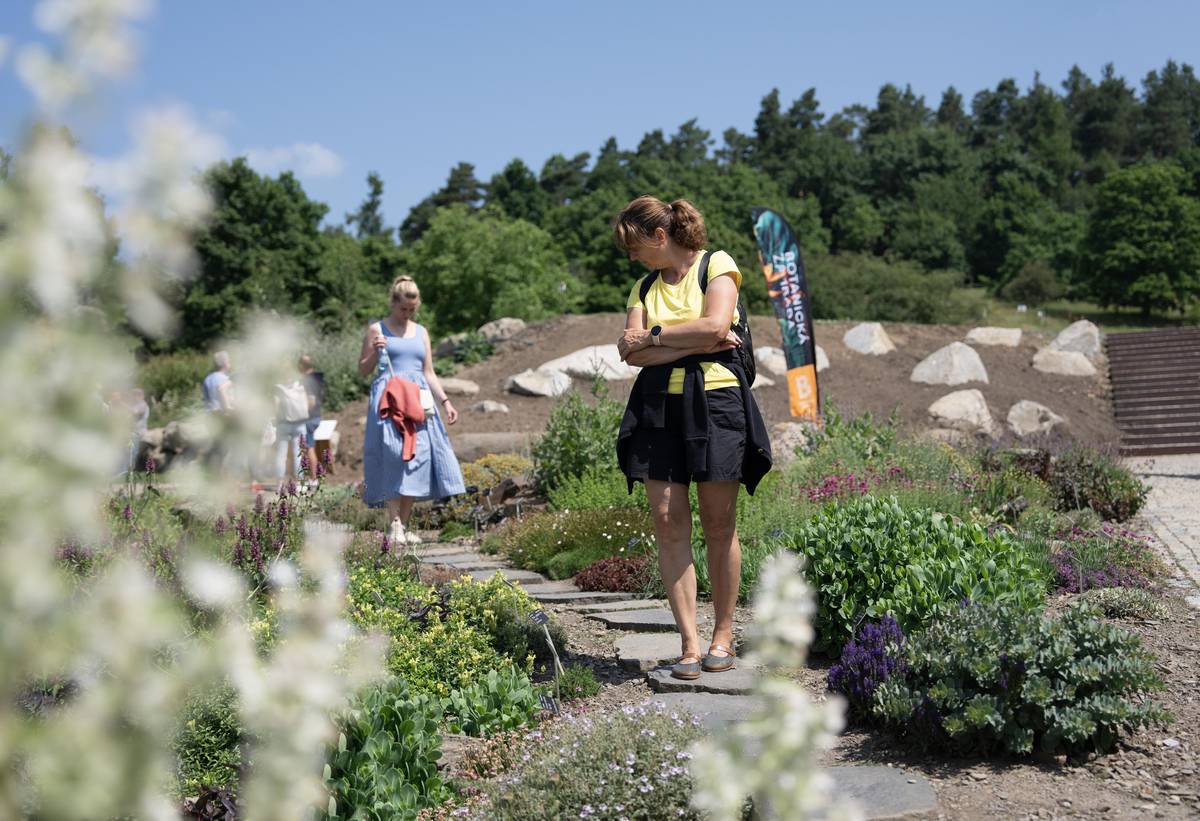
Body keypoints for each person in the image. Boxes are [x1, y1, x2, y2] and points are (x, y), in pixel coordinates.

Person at [613, 196, 772, 681]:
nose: (632, 257)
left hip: (718, 401)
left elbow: (718, 326)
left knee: (719, 523)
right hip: (657, 405)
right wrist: (691, 339)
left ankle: (723, 637)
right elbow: (630, 354)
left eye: (635, 246)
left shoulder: (716, 264)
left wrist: (656, 337)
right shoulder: (642, 287)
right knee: (666, 519)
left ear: (660, 236)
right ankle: (688, 643)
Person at [359, 275, 465, 545]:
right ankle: (394, 522)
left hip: (418, 400)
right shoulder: (377, 329)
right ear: (393, 303)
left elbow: (428, 372)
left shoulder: (421, 332)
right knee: (394, 455)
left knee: (418, 458)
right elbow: (362, 370)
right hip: (390, 399)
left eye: (411, 310)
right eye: (402, 309)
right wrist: (374, 352)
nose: (407, 314)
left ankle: (403, 526)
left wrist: (445, 401)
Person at [272, 366, 311, 481]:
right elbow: (306, 405)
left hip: (283, 424)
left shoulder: (278, 388)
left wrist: (276, 419)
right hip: (299, 423)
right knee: (298, 454)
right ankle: (299, 483)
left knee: (281, 455)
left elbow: (276, 406)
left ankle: (279, 484)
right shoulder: (300, 386)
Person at [298, 354, 325, 476]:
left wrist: (300, 413)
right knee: (308, 447)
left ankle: (313, 477)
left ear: (301, 366)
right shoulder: (318, 378)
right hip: (316, 415)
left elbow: (311, 401)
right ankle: (311, 476)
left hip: (308, 417)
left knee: (308, 448)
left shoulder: (308, 380)